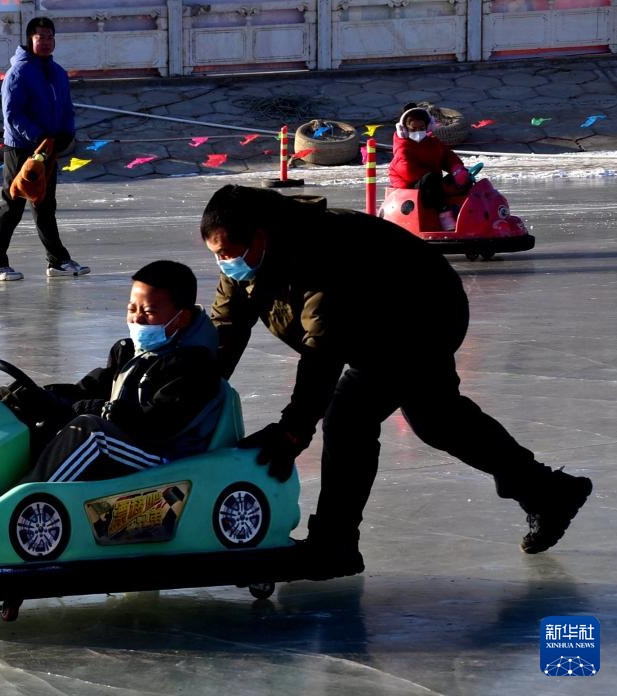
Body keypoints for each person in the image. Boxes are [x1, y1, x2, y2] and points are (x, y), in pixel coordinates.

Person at [200, 184, 592, 581]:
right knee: (437, 417)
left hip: (423, 312)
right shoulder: (247, 260)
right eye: (216, 254)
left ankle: (334, 544)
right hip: (376, 321)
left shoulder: (322, 250)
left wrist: (293, 431)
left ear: (260, 236)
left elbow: (323, 350)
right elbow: (226, 327)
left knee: (349, 417)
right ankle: (549, 492)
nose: (224, 263)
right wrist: (194, 394)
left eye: (228, 252)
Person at [18, 260, 223, 482]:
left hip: (165, 456)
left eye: (149, 312)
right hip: (130, 444)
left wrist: (105, 411)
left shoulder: (194, 366)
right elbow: (89, 388)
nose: (137, 318)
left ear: (181, 318)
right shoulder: (129, 352)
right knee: (44, 420)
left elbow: (159, 423)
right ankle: (0, 488)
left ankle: (29, 497)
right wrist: (40, 396)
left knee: (93, 433)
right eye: (132, 309)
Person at [0, 17, 89, 281]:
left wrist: (66, 133)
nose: (46, 42)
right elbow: (12, 114)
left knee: (45, 205)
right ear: (30, 39)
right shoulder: (18, 72)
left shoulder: (58, 73)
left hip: (48, 148)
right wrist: (37, 137)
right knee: (13, 205)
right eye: (41, 37)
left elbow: (66, 108)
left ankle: (58, 261)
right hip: (20, 148)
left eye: (50, 37)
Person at [389, 103, 472, 231]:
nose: (418, 132)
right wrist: (441, 186)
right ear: (404, 129)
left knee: (463, 179)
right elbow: (410, 172)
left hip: (432, 182)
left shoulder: (431, 142)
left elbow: (446, 155)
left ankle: (467, 215)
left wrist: (457, 169)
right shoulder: (402, 147)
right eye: (413, 129)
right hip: (410, 186)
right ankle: (444, 213)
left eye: (421, 128)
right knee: (431, 178)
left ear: (428, 126)